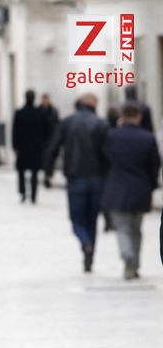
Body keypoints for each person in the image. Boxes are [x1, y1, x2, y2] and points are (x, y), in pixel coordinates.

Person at [44, 92, 109, 272]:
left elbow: (53, 147)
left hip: (75, 176)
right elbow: (108, 153)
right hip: (96, 177)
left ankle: (85, 241)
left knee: (77, 218)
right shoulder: (101, 124)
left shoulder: (68, 122)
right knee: (92, 219)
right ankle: (89, 257)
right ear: (93, 104)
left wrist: (48, 171)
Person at [101, 102, 161, 280]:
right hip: (140, 189)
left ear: (121, 117)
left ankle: (127, 255)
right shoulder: (148, 137)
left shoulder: (112, 136)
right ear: (138, 117)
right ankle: (134, 265)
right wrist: (151, 186)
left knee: (122, 227)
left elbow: (104, 159)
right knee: (136, 229)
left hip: (117, 188)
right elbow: (155, 165)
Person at [12, 89, 47, 203]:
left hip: (23, 148)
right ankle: (33, 195)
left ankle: (23, 193)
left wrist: (15, 146)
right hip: (35, 148)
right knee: (34, 172)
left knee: (22, 172)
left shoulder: (20, 113)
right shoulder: (39, 113)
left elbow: (15, 132)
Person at [39, 93, 60, 188]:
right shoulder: (39, 110)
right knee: (46, 159)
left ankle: (48, 176)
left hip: (51, 139)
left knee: (50, 159)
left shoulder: (53, 111)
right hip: (42, 139)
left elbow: (56, 124)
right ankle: (47, 177)